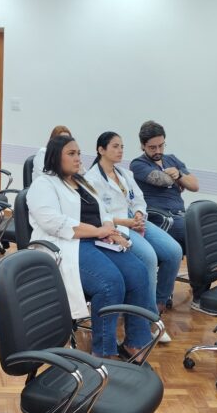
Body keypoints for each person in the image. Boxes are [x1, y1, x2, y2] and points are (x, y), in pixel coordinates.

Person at [27, 135, 156, 360]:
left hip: (97, 239)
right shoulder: (44, 184)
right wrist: (98, 231)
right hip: (67, 244)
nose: (78, 158)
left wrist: (111, 231)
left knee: (138, 272)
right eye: (71, 154)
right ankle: (103, 352)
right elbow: (54, 222)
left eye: (78, 153)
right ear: (55, 157)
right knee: (110, 282)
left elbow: (104, 212)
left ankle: (135, 342)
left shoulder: (82, 182)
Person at [84, 131, 182, 343]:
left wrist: (138, 214)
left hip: (135, 220)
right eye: (115, 146)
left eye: (122, 146)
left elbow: (138, 199)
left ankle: (157, 303)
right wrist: (128, 222)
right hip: (116, 226)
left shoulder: (124, 173)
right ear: (101, 150)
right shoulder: (91, 179)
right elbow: (99, 215)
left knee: (174, 251)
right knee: (149, 258)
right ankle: (149, 320)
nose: (120, 150)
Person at [129, 120, 199, 251]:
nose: (158, 151)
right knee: (197, 229)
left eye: (161, 146)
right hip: (160, 218)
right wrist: (179, 178)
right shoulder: (138, 164)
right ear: (143, 145)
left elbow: (194, 185)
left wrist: (179, 175)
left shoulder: (171, 159)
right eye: (152, 147)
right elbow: (163, 180)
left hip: (180, 214)